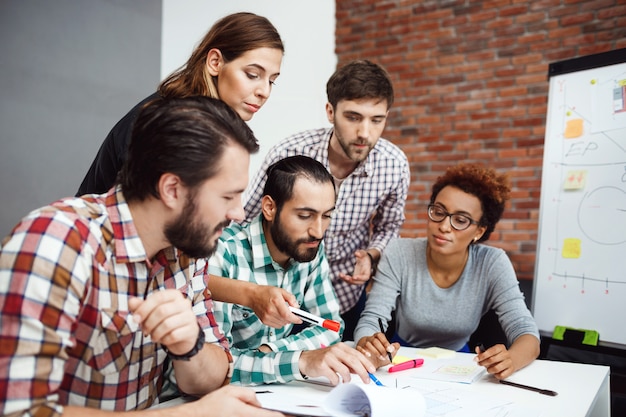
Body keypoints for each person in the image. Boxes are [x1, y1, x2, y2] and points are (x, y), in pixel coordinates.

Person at [0, 96, 283, 416]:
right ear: (172, 190)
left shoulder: (188, 249)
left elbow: (209, 378)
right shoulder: (58, 242)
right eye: (227, 196)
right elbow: (20, 409)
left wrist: (191, 345)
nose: (238, 212)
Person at [243, 60, 410, 341]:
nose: (364, 133)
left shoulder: (394, 165)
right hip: (281, 300)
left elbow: (389, 228)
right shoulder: (288, 153)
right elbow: (248, 221)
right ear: (330, 112)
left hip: (344, 301)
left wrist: (371, 255)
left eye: (376, 120)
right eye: (354, 117)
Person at [354, 163, 541, 380]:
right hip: (400, 358)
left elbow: (527, 333)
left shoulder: (493, 263)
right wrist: (368, 343)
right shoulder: (399, 252)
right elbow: (371, 319)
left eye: (460, 220)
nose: (443, 226)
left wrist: (511, 359)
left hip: (460, 364)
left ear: (479, 231)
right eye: (438, 212)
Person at [209, 156, 377, 385]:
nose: (318, 231)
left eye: (327, 216)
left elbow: (332, 327)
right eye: (305, 216)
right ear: (269, 208)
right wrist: (299, 361)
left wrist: (272, 350)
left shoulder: (309, 248)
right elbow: (216, 368)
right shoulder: (224, 253)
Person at [77, 11, 284, 196]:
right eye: (252, 74)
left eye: (272, 80)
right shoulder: (163, 125)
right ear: (215, 62)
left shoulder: (209, 124)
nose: (264, 92)